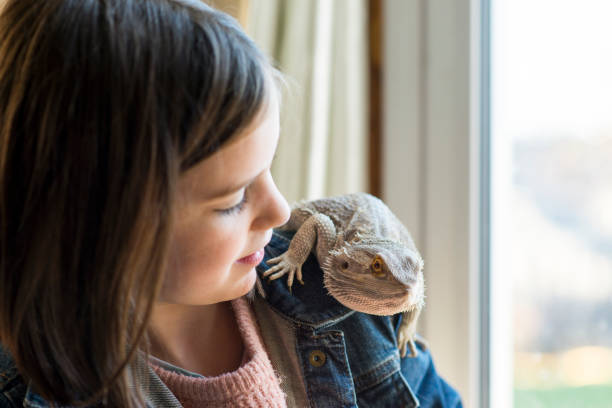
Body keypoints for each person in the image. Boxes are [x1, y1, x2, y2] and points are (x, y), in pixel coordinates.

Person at [0, 0, 462, 407]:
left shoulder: (338, 299)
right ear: (96, 223)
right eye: (234, 199)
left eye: (268, 168)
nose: (280, 210)